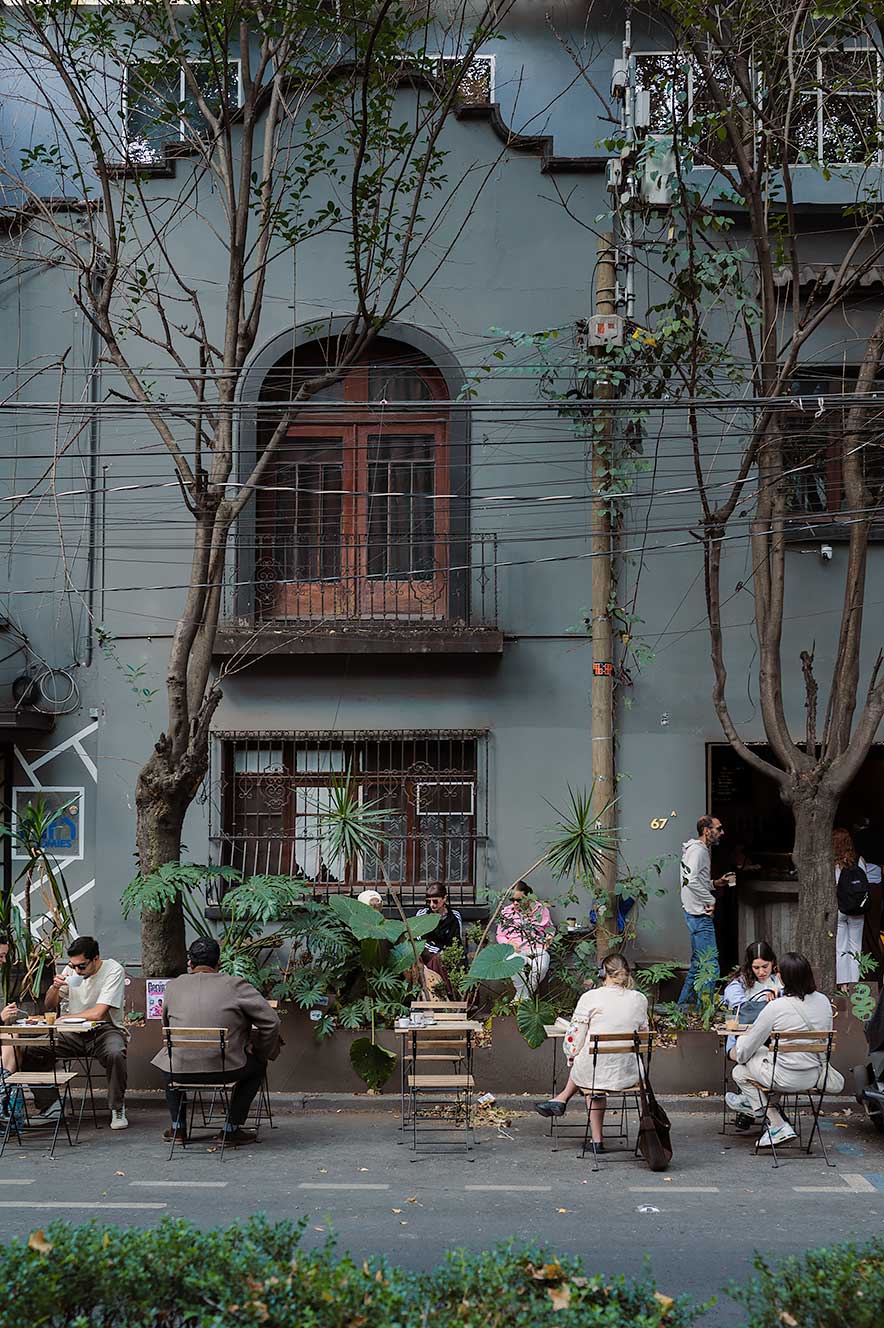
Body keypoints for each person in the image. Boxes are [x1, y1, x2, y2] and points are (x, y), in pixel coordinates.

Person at [151, 936, 280, 1147]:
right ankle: (230, 1129)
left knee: (168, 1061)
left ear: (190, 963)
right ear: (219, 963)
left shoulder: (173, 987)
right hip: (226, 1068)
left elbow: (166, 1026)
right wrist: (258, 1050)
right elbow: (272, 1023)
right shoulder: (235, 985)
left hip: (180, 1070)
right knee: (258, 1065)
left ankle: (178, 1128)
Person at [725, 951, 844, 1148]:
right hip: (815, 1075)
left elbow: (746, 1049)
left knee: (739, 1071)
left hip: (782, 1077)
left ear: (783, 977)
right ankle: (752, 1104)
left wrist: (736, 1050)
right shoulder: (823, 1001)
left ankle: (774, 1121)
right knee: (759, 1060)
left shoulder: (776, 1007)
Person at [535, 953, 649, 1150]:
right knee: (593, 1064)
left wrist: (571, 1054)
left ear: (602, 973)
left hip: (595, 1071)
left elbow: (575, 1036)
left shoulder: (590, 997)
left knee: (589, 1068)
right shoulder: (639, 999)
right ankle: (561, 1099)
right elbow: (644, 1032)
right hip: (630, 1073)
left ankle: (596, 1139)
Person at [27, 936, 129, 1130]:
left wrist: (66, 1018)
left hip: (104, 1029)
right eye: (73, 966)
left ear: (96, 959)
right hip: (73, 1033)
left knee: (116, 1052)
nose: (76, 971)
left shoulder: (112, 970)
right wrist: (55, 987)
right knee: (31, 1049)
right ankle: (51, 1105)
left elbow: (99, 1013)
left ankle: (117, 1107)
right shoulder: (71, 970)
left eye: (81, 966)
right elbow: (49, 1005)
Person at [677, 815, 735, 1008]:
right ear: (706, 830)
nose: (722, 832)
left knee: (697, 965)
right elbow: (691, 881)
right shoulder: (699, 851)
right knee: (710, 965)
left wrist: (715, 883)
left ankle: (683, 1009)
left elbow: (695, 880)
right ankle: (706, 1013)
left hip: (694, 913)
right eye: (718, 828)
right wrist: (710, 899)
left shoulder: (695, 850)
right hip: (699, 915)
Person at [834, 827, 884, 984]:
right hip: (857, 910)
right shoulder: (859, 860)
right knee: (856, 946)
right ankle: (855, 984)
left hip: (841, 909)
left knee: (840, 948)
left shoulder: (832, 863)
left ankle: (843, 985)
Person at [495, 881, 555, 1000]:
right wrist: (508, 943)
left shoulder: (541, 910)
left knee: (542, 966)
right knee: (512, 963)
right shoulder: (507, 912)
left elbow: (550, 929)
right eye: (512, 900)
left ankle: (521, 997)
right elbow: (500, 935)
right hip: (516, 949)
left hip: (537, 947)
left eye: (519, 900)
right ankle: (525, 997)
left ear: (528, 897)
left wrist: (549, 938)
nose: (515, 903)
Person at [415, 884, 463, 996]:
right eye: (429, 901)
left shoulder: (454, 916)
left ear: (444, 899)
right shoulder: (422, 914)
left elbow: (456, 940)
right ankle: (447, 993)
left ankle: (443, 993)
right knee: (437, 960)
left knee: (442, 960)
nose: (432, 905)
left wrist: (444, 952)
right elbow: (418, 939)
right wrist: (436, 951)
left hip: (447, 954)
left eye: (435, 901)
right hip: (426, 954)